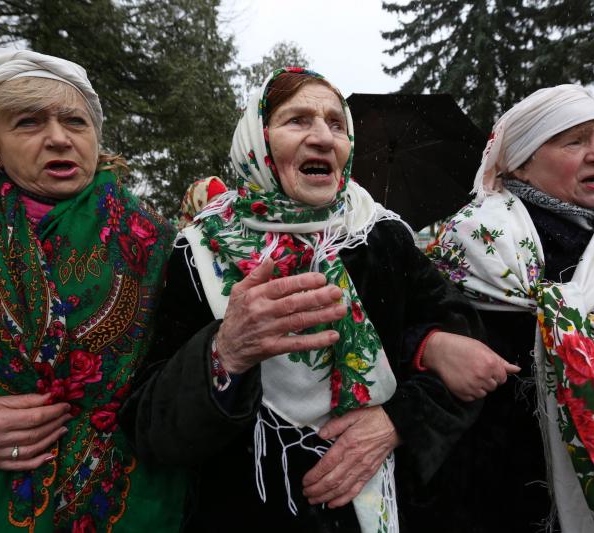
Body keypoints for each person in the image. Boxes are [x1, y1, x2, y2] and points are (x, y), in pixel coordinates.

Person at [120, 67, 515, 532]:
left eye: (336, 124)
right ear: (258, 141)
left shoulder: (382, 236)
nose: (323, 138)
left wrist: (396, 420)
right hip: (250, 511)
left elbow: (464, 362)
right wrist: (226, 351)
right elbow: (151, 427)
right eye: (298, 121)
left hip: (388, 506)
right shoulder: (200, 251)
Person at [0, 48, 185, 531]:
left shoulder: (165, 250)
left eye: (75, 121)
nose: (58, 138)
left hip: (142, 511)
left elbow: (196, 387)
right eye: (28, 123)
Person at [425, 84, 594, 533]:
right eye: (574, 141)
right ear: (523, 163)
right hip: (499, 507)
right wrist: (429, 346)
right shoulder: (469, 249)